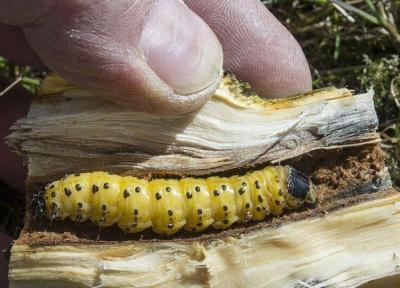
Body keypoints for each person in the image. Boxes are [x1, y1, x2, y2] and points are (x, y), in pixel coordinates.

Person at [0, 1, 312, 286]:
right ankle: (57, 200)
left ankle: (57, 200)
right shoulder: (250, 197)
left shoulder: (246, 196)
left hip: (95, 194)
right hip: (89, 194)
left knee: (173, 202)